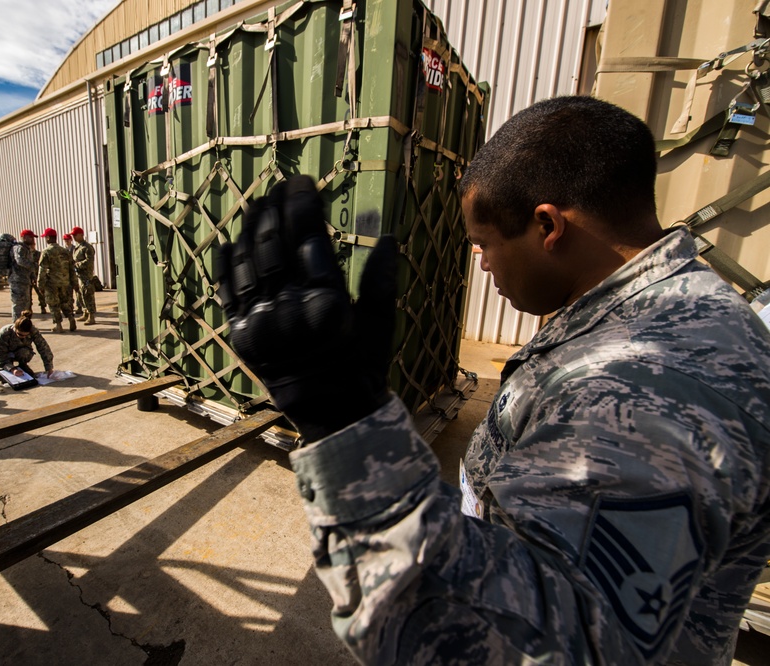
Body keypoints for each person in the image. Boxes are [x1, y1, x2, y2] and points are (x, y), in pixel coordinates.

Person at [216, 97, 770, 665]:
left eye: (484, 245)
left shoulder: (648, 383)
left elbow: (528, 646)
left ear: (548, 226)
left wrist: (348, 432)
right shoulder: (647, 315)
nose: (481, 264)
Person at [0, 310, 53, 382]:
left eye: (25, 335)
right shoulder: (4, 332)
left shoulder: (33, 331)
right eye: (20, 334)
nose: (23, 337)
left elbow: (43, 348)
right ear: (15, 328)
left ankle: (22, 366)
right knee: (0, 378)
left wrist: (49, 368)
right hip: (5, 356)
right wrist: (12, 369)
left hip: (20, 352)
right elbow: (0, 355)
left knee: (25, 353)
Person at [36, 227, 79, 333]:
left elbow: (42, 270)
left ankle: (58, 325)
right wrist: (74, 283)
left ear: (49, 238)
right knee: (65, 302)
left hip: (52, 283)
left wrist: (40, 285)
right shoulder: (65, 251)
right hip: (65, 282)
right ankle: (70, 318)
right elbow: (71, 269)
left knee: (53, 304)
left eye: (45, 237)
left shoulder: (46, 252)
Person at [9, 230, 38, 321]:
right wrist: (35, 266)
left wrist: (33, 276)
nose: (32, 239)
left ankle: (24, 323)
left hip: (25, 280)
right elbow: (20, 261)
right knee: (18, 304)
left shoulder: (27, 248)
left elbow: (30, 264)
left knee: (26, 304)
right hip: (17, 280)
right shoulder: (19, 247)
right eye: (31, 237)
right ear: (24, 237)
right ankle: (16, 324)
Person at [71, 226, 97, 325]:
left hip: (86, 276)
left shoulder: (87, 247)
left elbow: (89, 261)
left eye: (75, 235)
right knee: (81, 295)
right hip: (79, 276)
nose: (73, 237)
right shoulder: (77, 247)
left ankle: (91, 316)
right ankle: (85, 313)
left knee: (88, 295)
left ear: (81, 235)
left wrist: (77, 265)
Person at [63, 232, 83, 316]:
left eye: (68, 240)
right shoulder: (63, 250)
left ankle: (80, 307)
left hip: (75, 272)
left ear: (71, 240)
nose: (67, 241)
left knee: (78, 290)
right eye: (65, 240)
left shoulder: (75, 249)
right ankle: (70, 307)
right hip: (66, 273)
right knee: (68, 291)